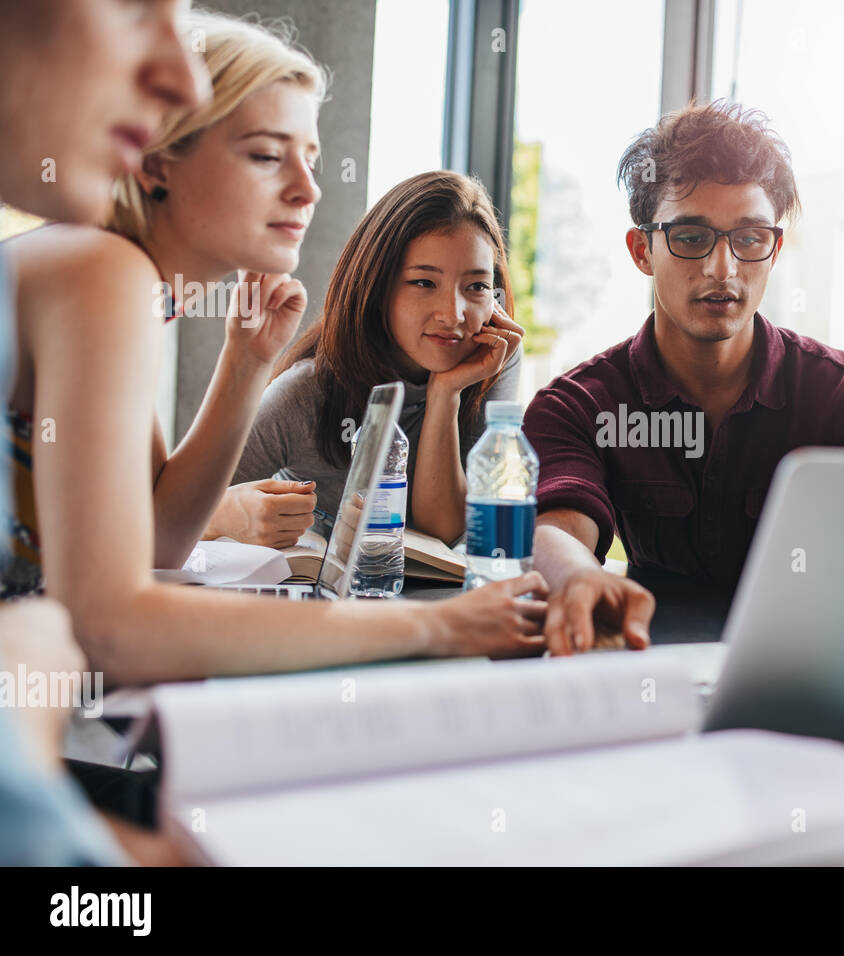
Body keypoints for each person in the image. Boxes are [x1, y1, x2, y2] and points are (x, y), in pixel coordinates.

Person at [3, 10, 548, 689]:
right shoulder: (104, 274)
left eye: (312, 160)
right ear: (154, 155)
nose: (308, 189)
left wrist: (250, 358)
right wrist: (440, 625)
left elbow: (157, 543)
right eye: (267, 155)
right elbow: (112, 624)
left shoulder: (122, 282)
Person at [525, 100, 844, 655]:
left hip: (812, 670)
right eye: (690, 237)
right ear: (643, 250)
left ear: (775, 248)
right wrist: (574, 575)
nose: (722, 269)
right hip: (645, 668)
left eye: (750, 238)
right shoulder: (579, 404)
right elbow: (558, 530)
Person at [0, 0, 208, 864]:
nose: (181, 82)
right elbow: (114, 608)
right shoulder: (100, 270)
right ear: (163, 169)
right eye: (131, 6)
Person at [214, 170, 524, 548]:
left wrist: (445, 394)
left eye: (476, 286)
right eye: (424, 283)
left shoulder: (493, 359)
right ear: (377, 286)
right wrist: (227, 516)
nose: (454, 314)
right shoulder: (308, 392)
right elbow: (162, 515)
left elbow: (441, 534)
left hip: (425, 603)